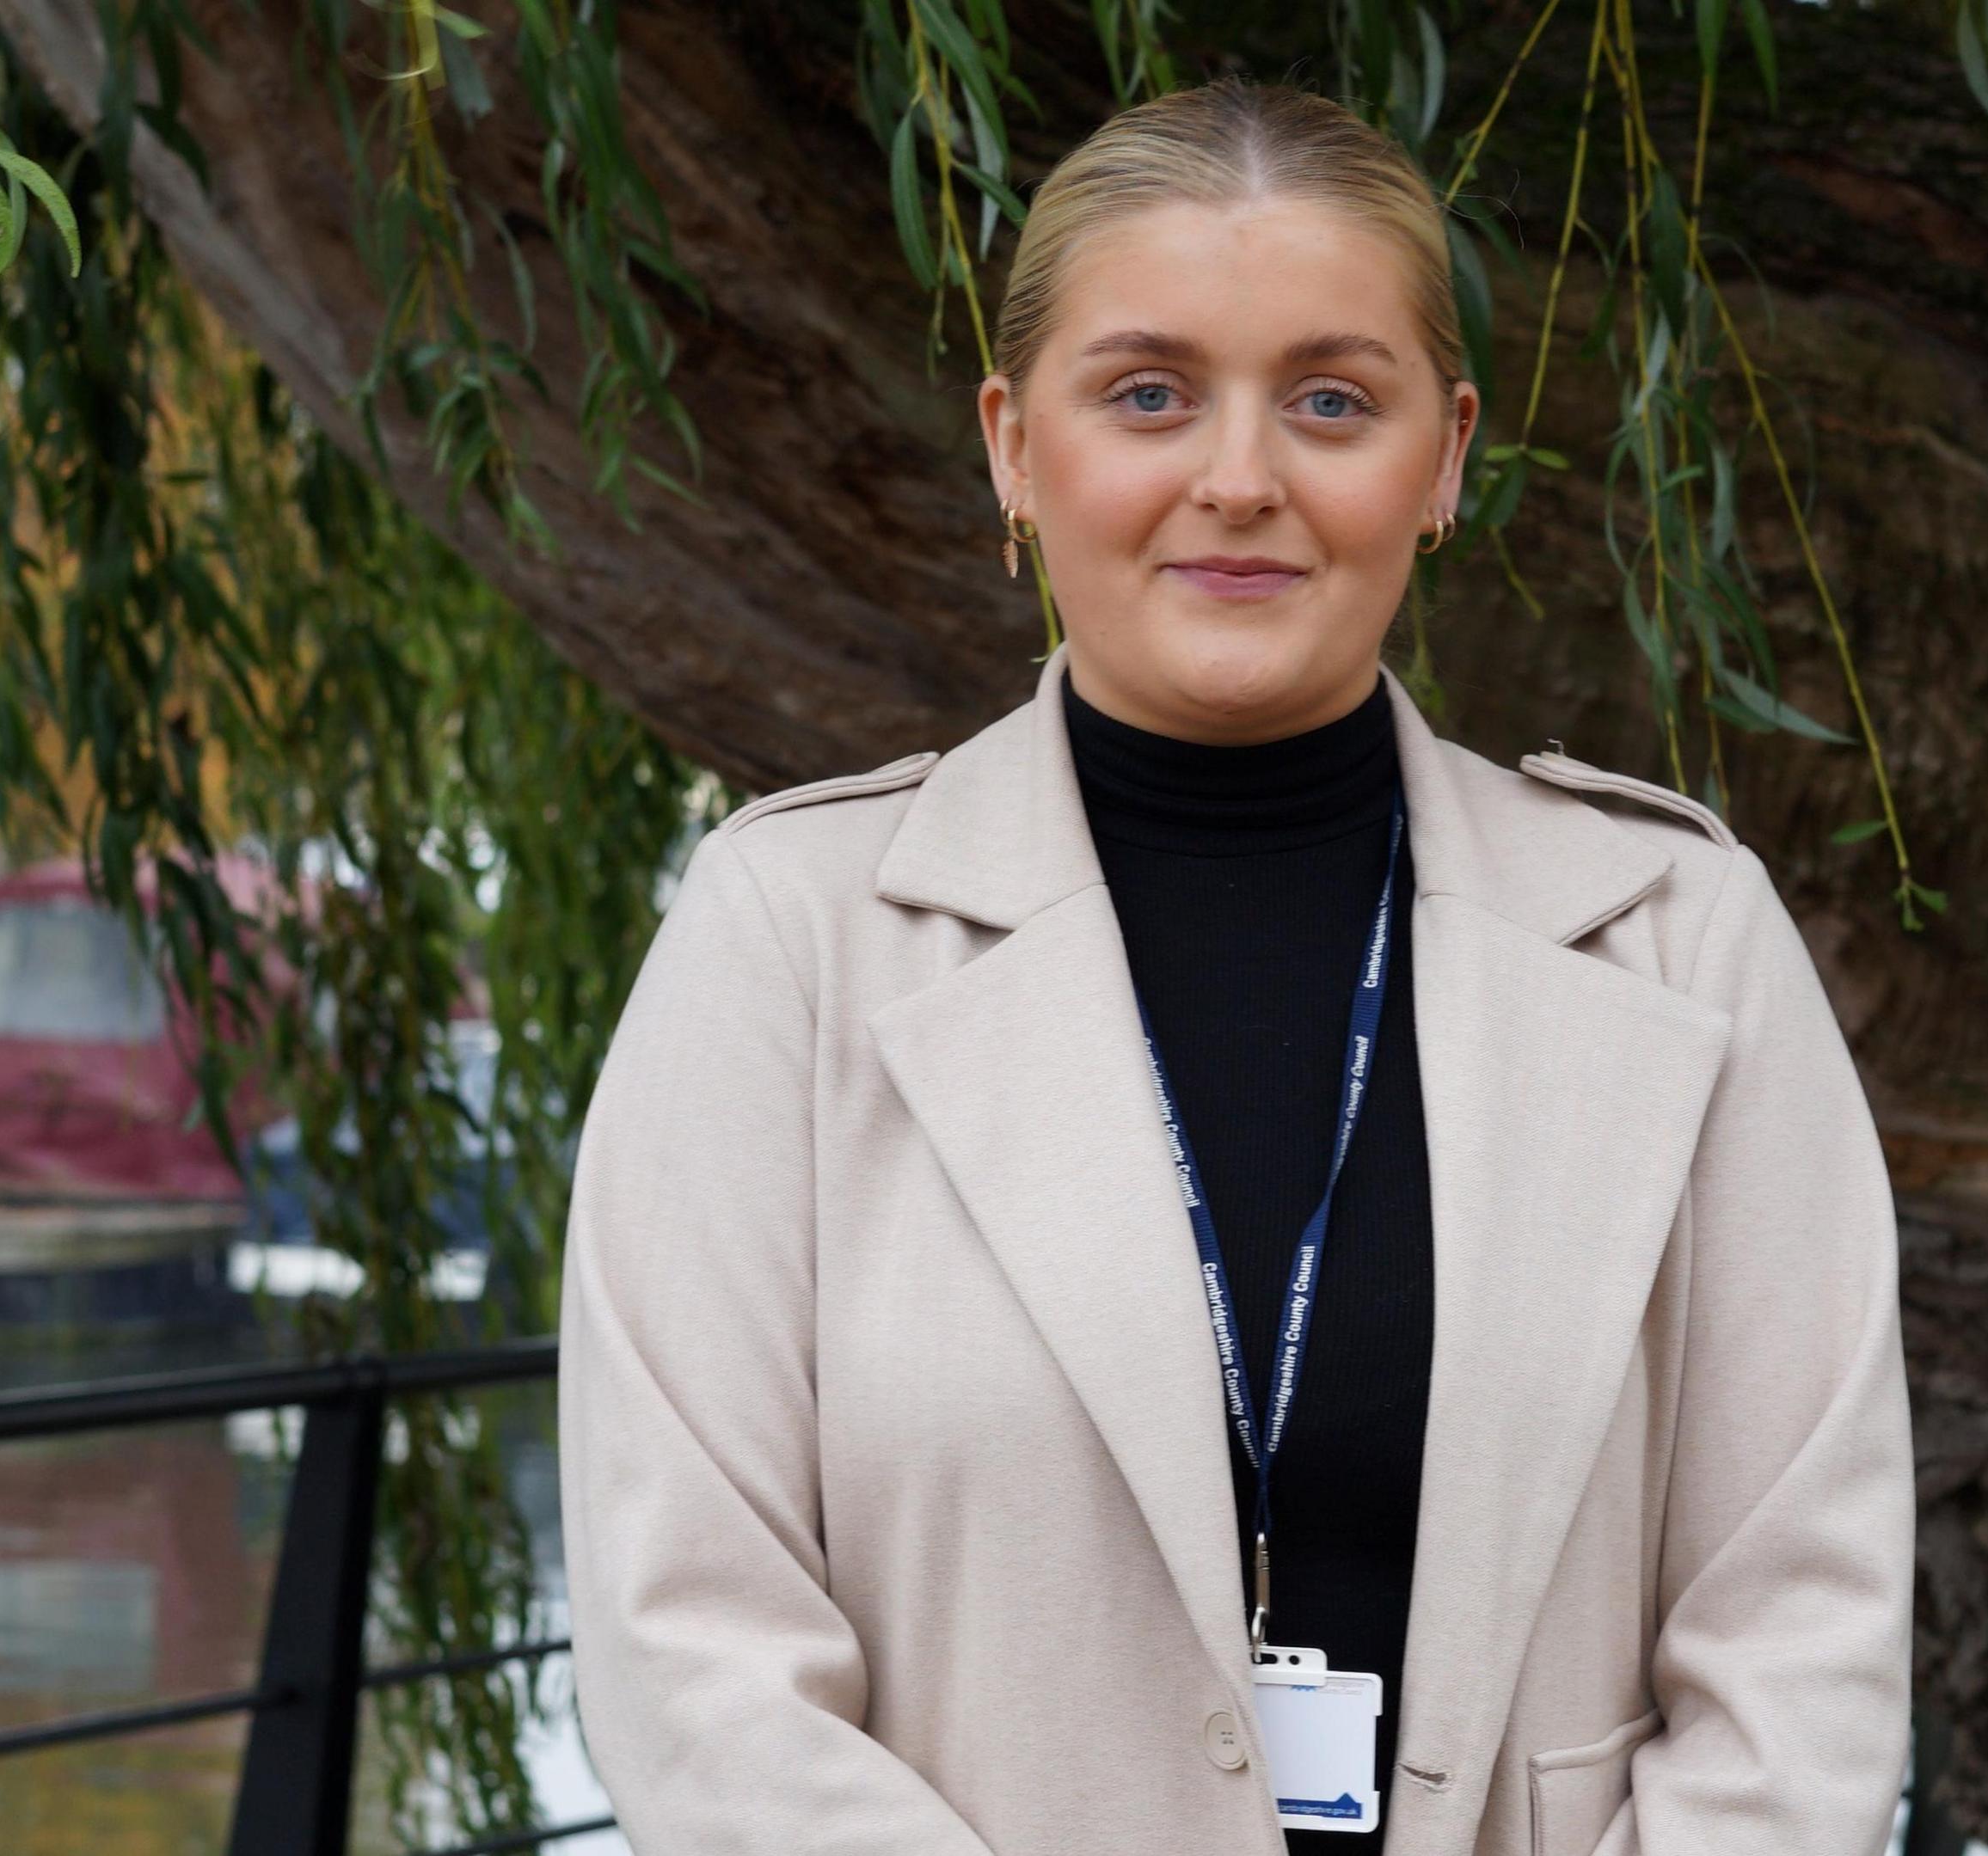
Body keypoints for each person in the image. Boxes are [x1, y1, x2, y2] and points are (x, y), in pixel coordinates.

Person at [557, 75, 1912, 1856]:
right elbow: (697, 1659)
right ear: (1012, 449)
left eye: (1334, 401)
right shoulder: (787, 942)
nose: (1242, 479)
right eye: (1147, 394)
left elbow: (1798, 1640)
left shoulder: (1683, 944)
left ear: (1444, 460)